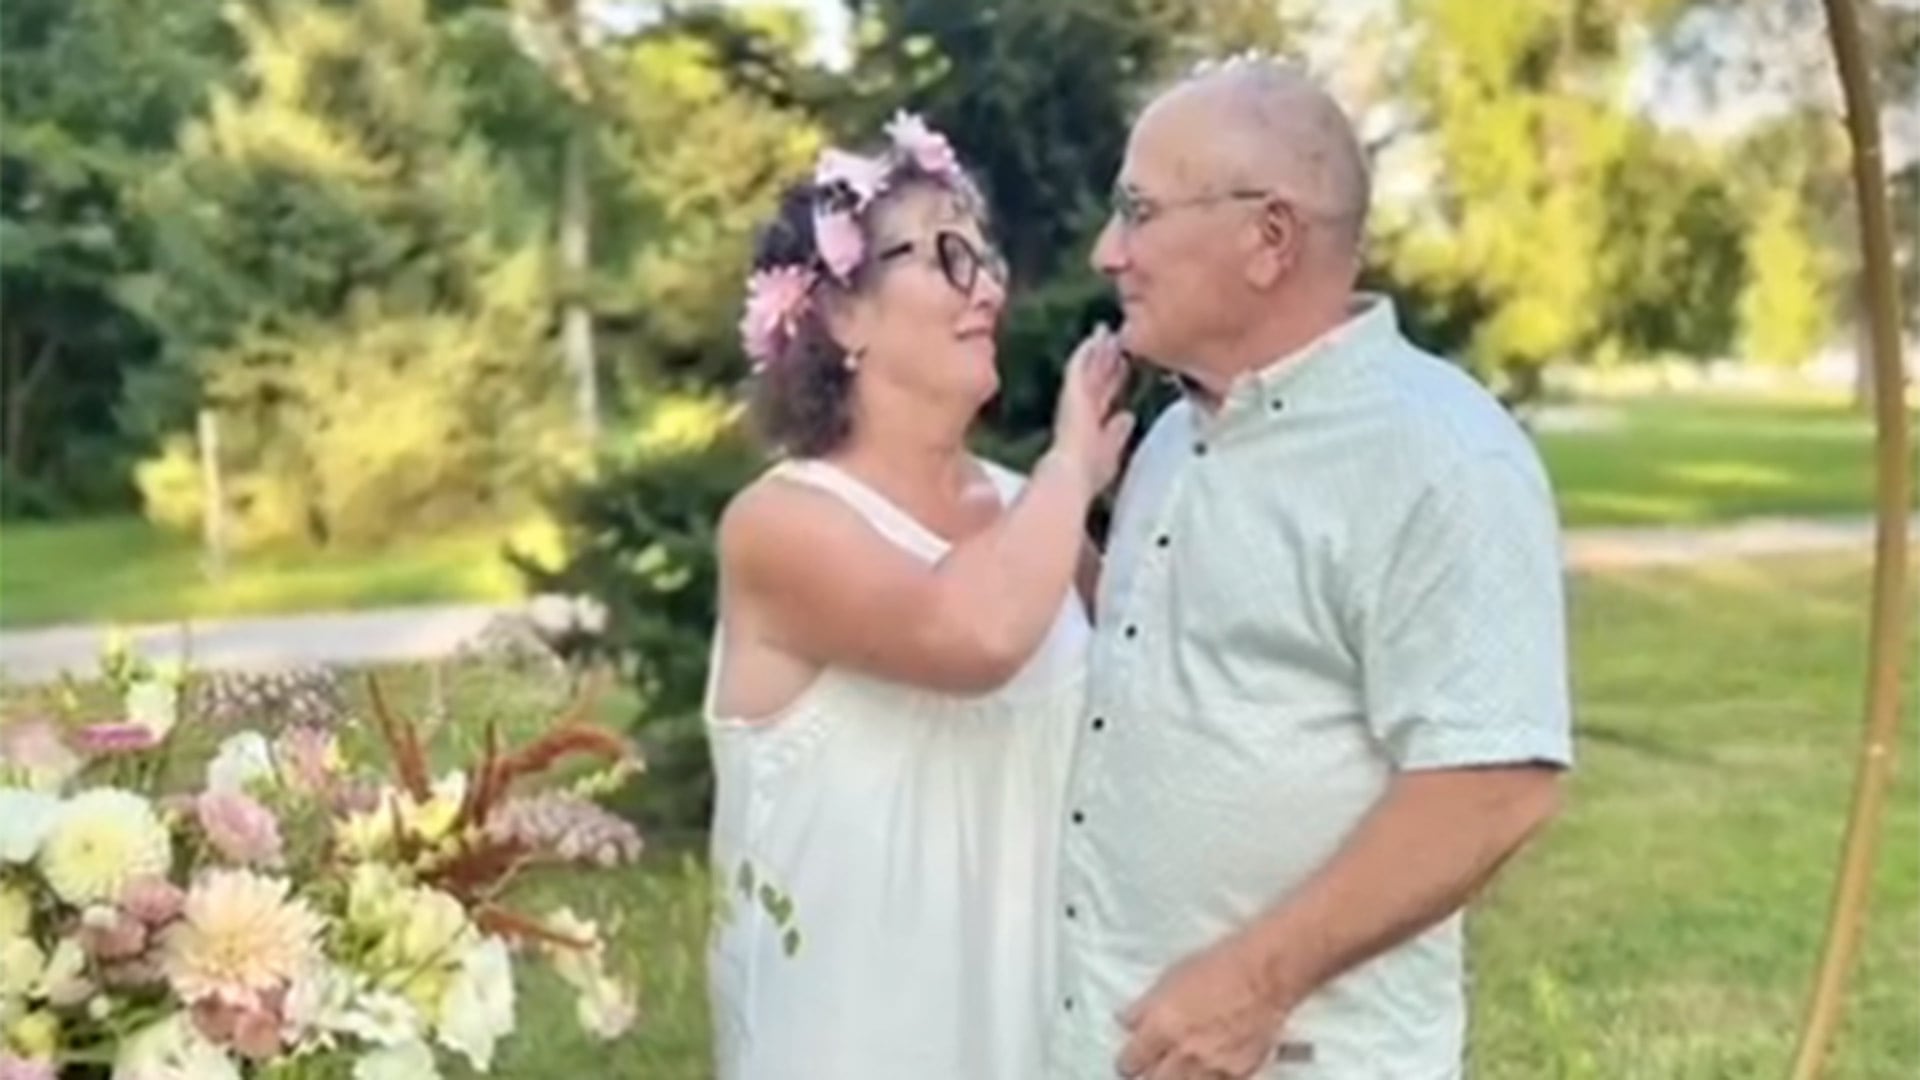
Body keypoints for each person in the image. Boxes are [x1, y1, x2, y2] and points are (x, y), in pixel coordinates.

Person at [1046, 59, 1574, 1080]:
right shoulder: (1169, 438)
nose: (1109, 252)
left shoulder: (1443, 457)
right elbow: (1147, 660)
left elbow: (1495, 783)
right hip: (1111, 1047)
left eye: (1139, 212)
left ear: (1269, 238)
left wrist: (1254, 985)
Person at [703, 112, 1134, 1080]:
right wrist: (1072, 464)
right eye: (943, 252)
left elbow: (1154, 714)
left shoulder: (1037, 514)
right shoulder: (779, 526)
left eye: (983, 252)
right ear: (840, 314)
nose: (987, 284)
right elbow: (973, 635)